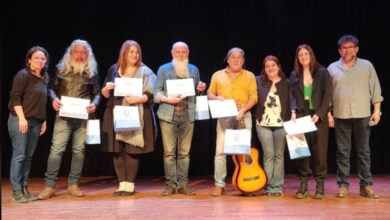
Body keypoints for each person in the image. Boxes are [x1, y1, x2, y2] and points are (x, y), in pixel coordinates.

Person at [37, 39, 101, 199]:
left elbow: (98, 93)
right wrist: (53, 99)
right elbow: (51, 88)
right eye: (77, 52)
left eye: (83, 52)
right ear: (71, 54)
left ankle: (73, 184)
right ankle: (49, 186)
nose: (80, 55)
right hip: (63, 116)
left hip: (82, 117)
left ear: (88, 55)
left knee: (79, 151)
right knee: (56, 150)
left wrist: (94, 104)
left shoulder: (92, 72)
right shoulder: (61, 69)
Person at [327, 35, 383, 199]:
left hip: (362, 114)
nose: (348, 50)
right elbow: (328, 94)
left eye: (351, 47)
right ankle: (343, 185)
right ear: (339, 50)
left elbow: (375, 89)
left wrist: (377, 110)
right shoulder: (332, 68)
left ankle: (365, 185)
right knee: (342, 153)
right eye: (344, 47)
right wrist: (329, 113)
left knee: (363, 152)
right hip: (341, 115)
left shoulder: (367, 66)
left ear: (356, 49)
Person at [101, 40, 156, 196]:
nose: (135, 54)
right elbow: (105, 94)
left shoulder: (145, 71)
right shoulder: (113, 69)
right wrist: (106, 88)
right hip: (115, 112)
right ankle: (122, 184)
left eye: (137, 52)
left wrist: (138, 99)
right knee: (117, 150)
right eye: (131, 51)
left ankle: (130, 185)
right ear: (124, 53)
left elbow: (152, 94)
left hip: (136, 112)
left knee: (131, 150)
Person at [153, 41, 206, 196]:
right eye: (178, 52)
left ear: (188, 53)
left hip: (188, 114)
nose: (181, 55)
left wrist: (201, 89)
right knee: (169, 153)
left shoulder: (193, 70)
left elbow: (196, 94)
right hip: (168, 115)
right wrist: (168, 99)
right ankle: (170, 184)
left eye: (184, 52)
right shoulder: (164, 69)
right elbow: (156, 93)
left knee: (184, 153)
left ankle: (182, 184)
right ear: (172, 53)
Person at [207, 47, 258, 196]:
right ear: (228, 59)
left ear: (243, 60)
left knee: (243, 150)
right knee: (221, 151)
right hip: (224, 115)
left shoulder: (249, 76)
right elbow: (210, 93)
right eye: (233, 57)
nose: (236, 60)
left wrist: (243, 110)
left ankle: (246, 183)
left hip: (243, 114)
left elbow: (254, 97)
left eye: (239, 57)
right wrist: (217, 98)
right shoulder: (217, 75)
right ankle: (219, 184)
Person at [8, 46, 50, 203]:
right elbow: (15, 98)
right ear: (29, 60)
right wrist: (22, 118)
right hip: (20, 120)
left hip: (36, 121)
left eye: (43, 58)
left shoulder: (44, 78)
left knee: (28, 157)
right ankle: (16, 190)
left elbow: (41, 101)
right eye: (37, 58)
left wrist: (44, 120)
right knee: (19, 155)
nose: (40, 60)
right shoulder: (23, 75)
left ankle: (25, 188)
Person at [289, 44, 331, 199]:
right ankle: (303, 185)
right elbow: (291, 94)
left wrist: (320, 113)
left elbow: (327, 95)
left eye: (306, 54)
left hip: (318, 113)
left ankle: (320, 186)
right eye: (300, 55)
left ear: (311, 55)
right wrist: (293, 111)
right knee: (301, 150)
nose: (303, 57)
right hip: (301, 113)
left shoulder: (322, 72)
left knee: (319, 151)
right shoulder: (295, 74)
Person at [253, 55, 297, 196]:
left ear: (278, 66)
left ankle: (277, 186)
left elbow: (292, 98)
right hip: (263, 123)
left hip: (281, 123)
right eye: (267, 66)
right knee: (268, 155)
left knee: (279, 155)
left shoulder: (286, 82)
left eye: (273, 65)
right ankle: (268, 185)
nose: (270, 68)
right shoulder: (258, 81)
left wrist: (293, 112)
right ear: (264, 69)